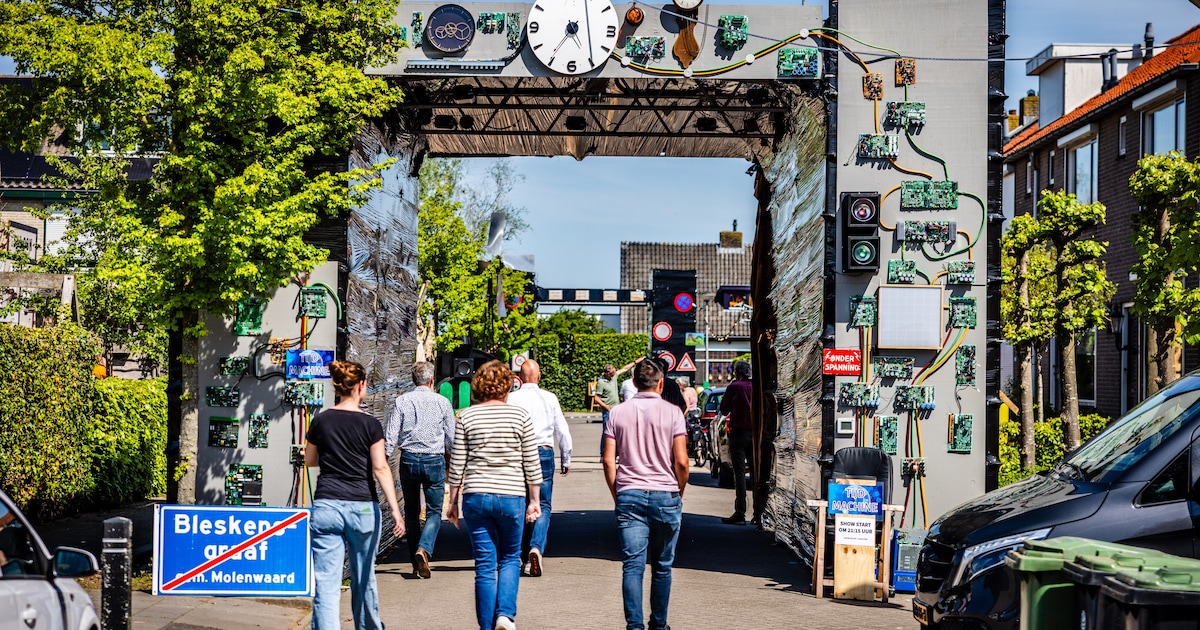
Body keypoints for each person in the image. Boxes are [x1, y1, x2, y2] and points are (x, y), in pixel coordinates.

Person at [304, 360, 404, 630]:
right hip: (362, 507)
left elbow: (310, 461)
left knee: (326, 581)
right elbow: (380, 467)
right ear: (360, 386)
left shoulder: (321, 420)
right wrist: (395, 510)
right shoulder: (370, 424)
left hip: (327, 506)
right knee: (363, 577)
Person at [446, 360, 543, 630]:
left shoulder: (465, 416)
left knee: (485, 565)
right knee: (511, 557)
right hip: (512, 495)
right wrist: (534, 500)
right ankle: (505, 615)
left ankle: (486, 627)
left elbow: (458, 463)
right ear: (507, 386)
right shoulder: (520, 416)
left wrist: (452, 502)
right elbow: (531, 462)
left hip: (476, 496)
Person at [602, 359, 689, 630]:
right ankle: (659, 625)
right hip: (666, 494)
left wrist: (619, 493)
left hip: (629, 493)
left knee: (632, 566)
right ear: (661, 383)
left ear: (635, 383)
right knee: (662, 566)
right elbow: (682, 462)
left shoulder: (617, 413)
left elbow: (607, 461)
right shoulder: (673, 413)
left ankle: (635, 626)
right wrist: (679, 491)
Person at [385, 360, 455, 579]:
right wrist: (452, 460)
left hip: (408, 460)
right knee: (434, 511)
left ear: (413, 380)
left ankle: (415, 564)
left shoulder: (402, 401)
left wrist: (384, 458)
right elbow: (451, 437)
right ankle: (423, 549)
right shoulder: (442, 402)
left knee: (412, 513)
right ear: (432, 380)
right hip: (434, 460)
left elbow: (390, 434)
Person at [506, 359, 572, 577]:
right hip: (542, 453)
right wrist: (566, 458)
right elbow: (562, 429)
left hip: (518, 454)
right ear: (539, 376)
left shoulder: (511, 398)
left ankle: (518, 555)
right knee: (542, 503)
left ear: (521, 377)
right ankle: (536, 548)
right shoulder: (550, 398)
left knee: (520, 503)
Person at [719, 359, 754, 525]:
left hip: (738, 433)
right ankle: (760, 512)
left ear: (737, 373)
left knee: (739, 472)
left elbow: (724, 409)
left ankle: (740, 512)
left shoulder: (734, 387)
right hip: (756, 434)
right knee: (757, 473)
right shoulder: (756, 386)